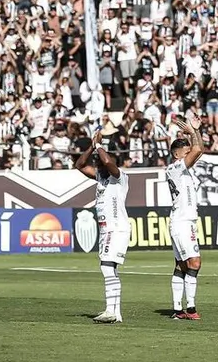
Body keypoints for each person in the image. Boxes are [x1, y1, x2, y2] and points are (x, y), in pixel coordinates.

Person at [75, 130, 130, 324]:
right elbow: (79, 164)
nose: (98, 163)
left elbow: (108, 163)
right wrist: (91, 146)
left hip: (115, 228)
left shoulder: (119, 176)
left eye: (99, 160)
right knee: (110, 269)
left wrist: (99, 146)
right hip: (107, 229)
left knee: (107, 267)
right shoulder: (100, 176)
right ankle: (115, 312)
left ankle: (110, 310)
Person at [166, 118, 204, 320]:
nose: (190, 153)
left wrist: (195, 131)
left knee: (181, 265)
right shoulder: (176, 168)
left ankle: (177, 309)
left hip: (182, 221)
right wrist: (191, 133)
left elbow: (200, 150)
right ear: (177, 154)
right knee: (195, 262)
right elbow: (197, 150)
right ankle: (190, 308)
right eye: (186, 151)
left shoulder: (182, 168)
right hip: (182, 222)